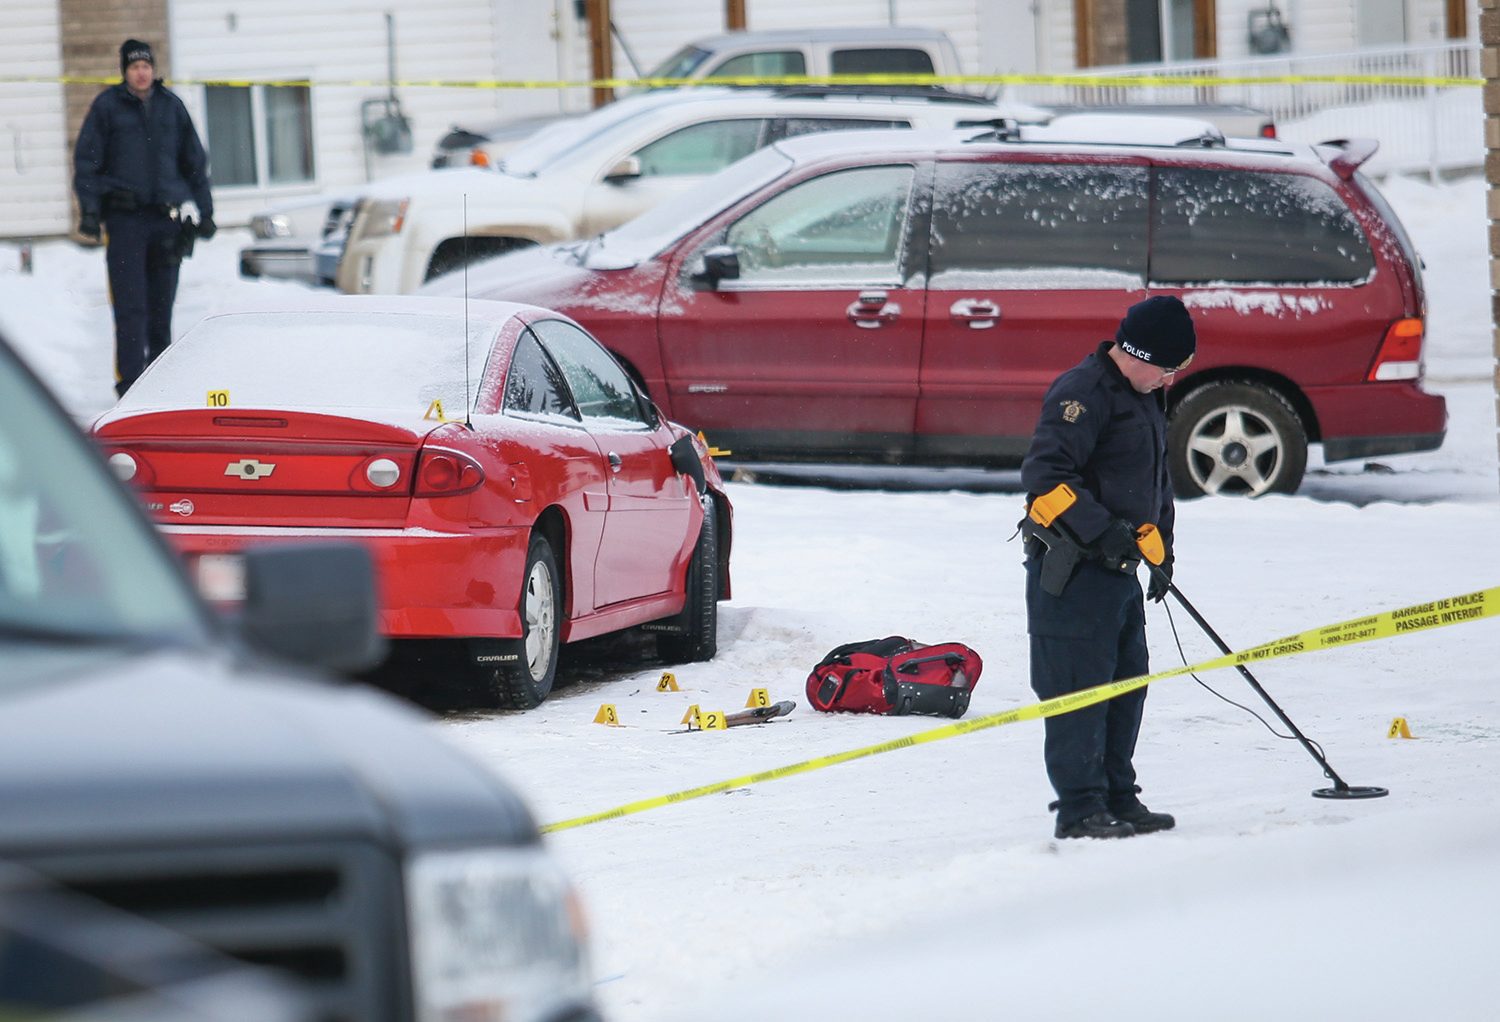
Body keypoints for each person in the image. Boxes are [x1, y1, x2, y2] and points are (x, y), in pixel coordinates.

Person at [1019, 295, 1196, 840]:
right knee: (1080, 689)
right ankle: (1081, 808)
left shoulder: (1143, 396)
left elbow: (1154, 482)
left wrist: (1162, 549)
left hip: (1121, 571)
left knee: (1126, 685)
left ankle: (1119, 795)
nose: (1170, 381)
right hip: (1073, 573)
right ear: (1139, 354)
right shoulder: (1083, 393)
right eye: (1168, 369)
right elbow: (1045, 475)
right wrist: (1104, 530)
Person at [73, 39, 214, 398]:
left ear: (153, 68)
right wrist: (90, 210)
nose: (141, 72)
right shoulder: (107, 107)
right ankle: (131, 388)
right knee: (130, 308)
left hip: (165, 222)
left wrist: (206, 209)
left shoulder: (171, 107)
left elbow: (194, 162)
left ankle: (161, 388)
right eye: (135, 66)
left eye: (146, 65)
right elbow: (87, 161)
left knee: (161, 309)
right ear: (125, 70)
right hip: (125, 222)